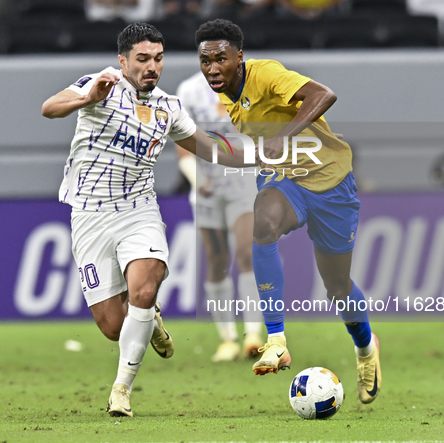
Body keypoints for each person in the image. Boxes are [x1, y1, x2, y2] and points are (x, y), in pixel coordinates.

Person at [41, 22, 246, 417]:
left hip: (139, 211)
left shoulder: (168, 107)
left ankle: (121, 389)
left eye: (158, 58)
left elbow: (206, 147)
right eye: (143, 59)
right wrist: (86, 99)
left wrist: (264, 157)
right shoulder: (99, 85)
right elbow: (49, 108)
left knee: (144, 286)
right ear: (123, 61)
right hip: (90, 215)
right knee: (114, 327)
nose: (152, 66)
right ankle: (149, 322)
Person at [194, 19, 382, 405]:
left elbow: (324, 95)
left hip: (331, 182)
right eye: (205, 60)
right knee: (262, 227)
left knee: (337, 288)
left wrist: (285, 137)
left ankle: (366, 350)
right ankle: (276, 340)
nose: (213, 68)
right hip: (286, 179)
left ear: (239, 57)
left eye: (221, 59)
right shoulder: (228, 94)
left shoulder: (265, 74)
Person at [175, 71, 263, 362]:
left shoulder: (251, 86)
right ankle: (227, 339)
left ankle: (253, 334)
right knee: (216, 258)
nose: (213, 64)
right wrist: (196, 178)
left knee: (247, 252)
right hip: (207, 186)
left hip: (243, 182)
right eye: (207, 57)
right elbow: (182, 145)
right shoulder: (189, 91)